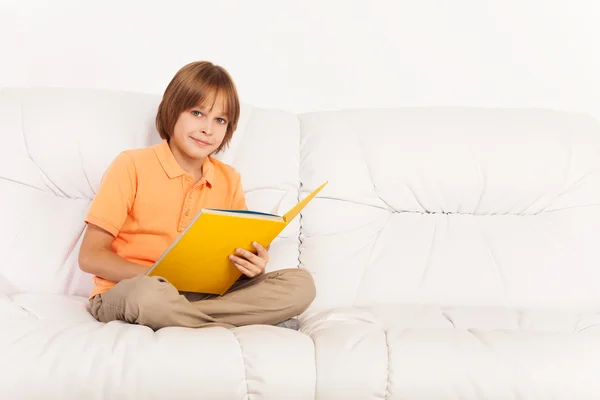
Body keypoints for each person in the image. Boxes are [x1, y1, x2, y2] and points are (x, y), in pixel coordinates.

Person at [78, 61, 316, 330]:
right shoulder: (131, 165)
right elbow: (90, 256)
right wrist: (158, 277)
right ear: (173, 110)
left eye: (220, 120)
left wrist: (251, 265)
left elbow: (229, 259)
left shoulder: (229, 179)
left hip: (201, 294)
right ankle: (237, 321)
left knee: (301, 284)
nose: (208, 129)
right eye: (197, 113)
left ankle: (189, 317)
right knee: (149, 296)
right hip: (130, 291)